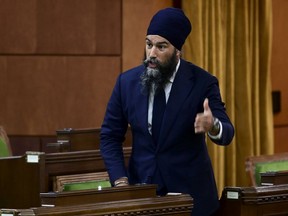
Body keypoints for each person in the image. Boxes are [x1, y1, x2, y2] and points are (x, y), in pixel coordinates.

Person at [100, 7, 234, 216]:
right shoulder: (126, 83)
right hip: (142, 198)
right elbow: (109, 136)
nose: (152, 54)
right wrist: (120, 181)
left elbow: (227, 133)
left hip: (192, 201)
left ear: (177, 51)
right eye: (149, 44)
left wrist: (213, 125)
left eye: (161, 47)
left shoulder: (202, 83)